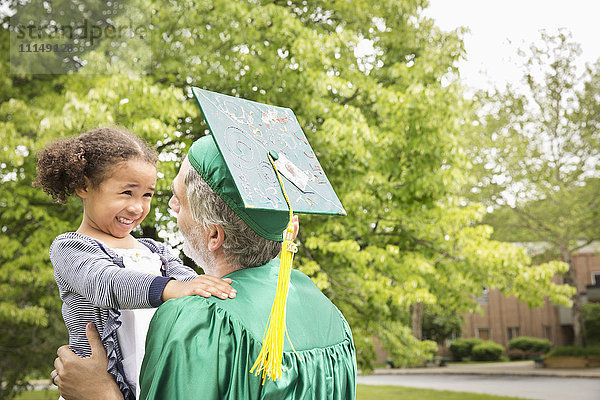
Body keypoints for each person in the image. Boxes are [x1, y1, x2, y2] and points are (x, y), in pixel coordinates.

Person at [53, 134, 357, 399]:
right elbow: (105, 280)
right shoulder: (323, 309)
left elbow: (186, 281)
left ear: (213, 234)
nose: (167, 205)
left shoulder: (200, 321)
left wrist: (101, 396)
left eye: (178, 199)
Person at [35, 128, 236, 400]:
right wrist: (170, 288)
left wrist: (214, 288)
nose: (137, 207)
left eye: (147, 195)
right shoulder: (71, 247)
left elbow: (189, 283)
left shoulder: (155, 251)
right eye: (127, 192)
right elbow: (107, 283)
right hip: (97, 384)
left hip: (147, 381)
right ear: (84, 186)